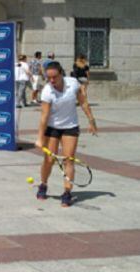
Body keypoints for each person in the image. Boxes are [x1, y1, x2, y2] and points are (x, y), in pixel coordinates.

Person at [35, 61, 98, 207]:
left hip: (70, 126)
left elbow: (83, 102)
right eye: (48, 78)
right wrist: (39, 138)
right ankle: (43, 184)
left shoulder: (73, 83)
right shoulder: (47, 91)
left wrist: (91, 120)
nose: (51, 81)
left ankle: (67, 192)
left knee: (68, 160)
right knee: (49, 160)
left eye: (54, 77)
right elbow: (44, 117)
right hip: (52, 128)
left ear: (61, 73)